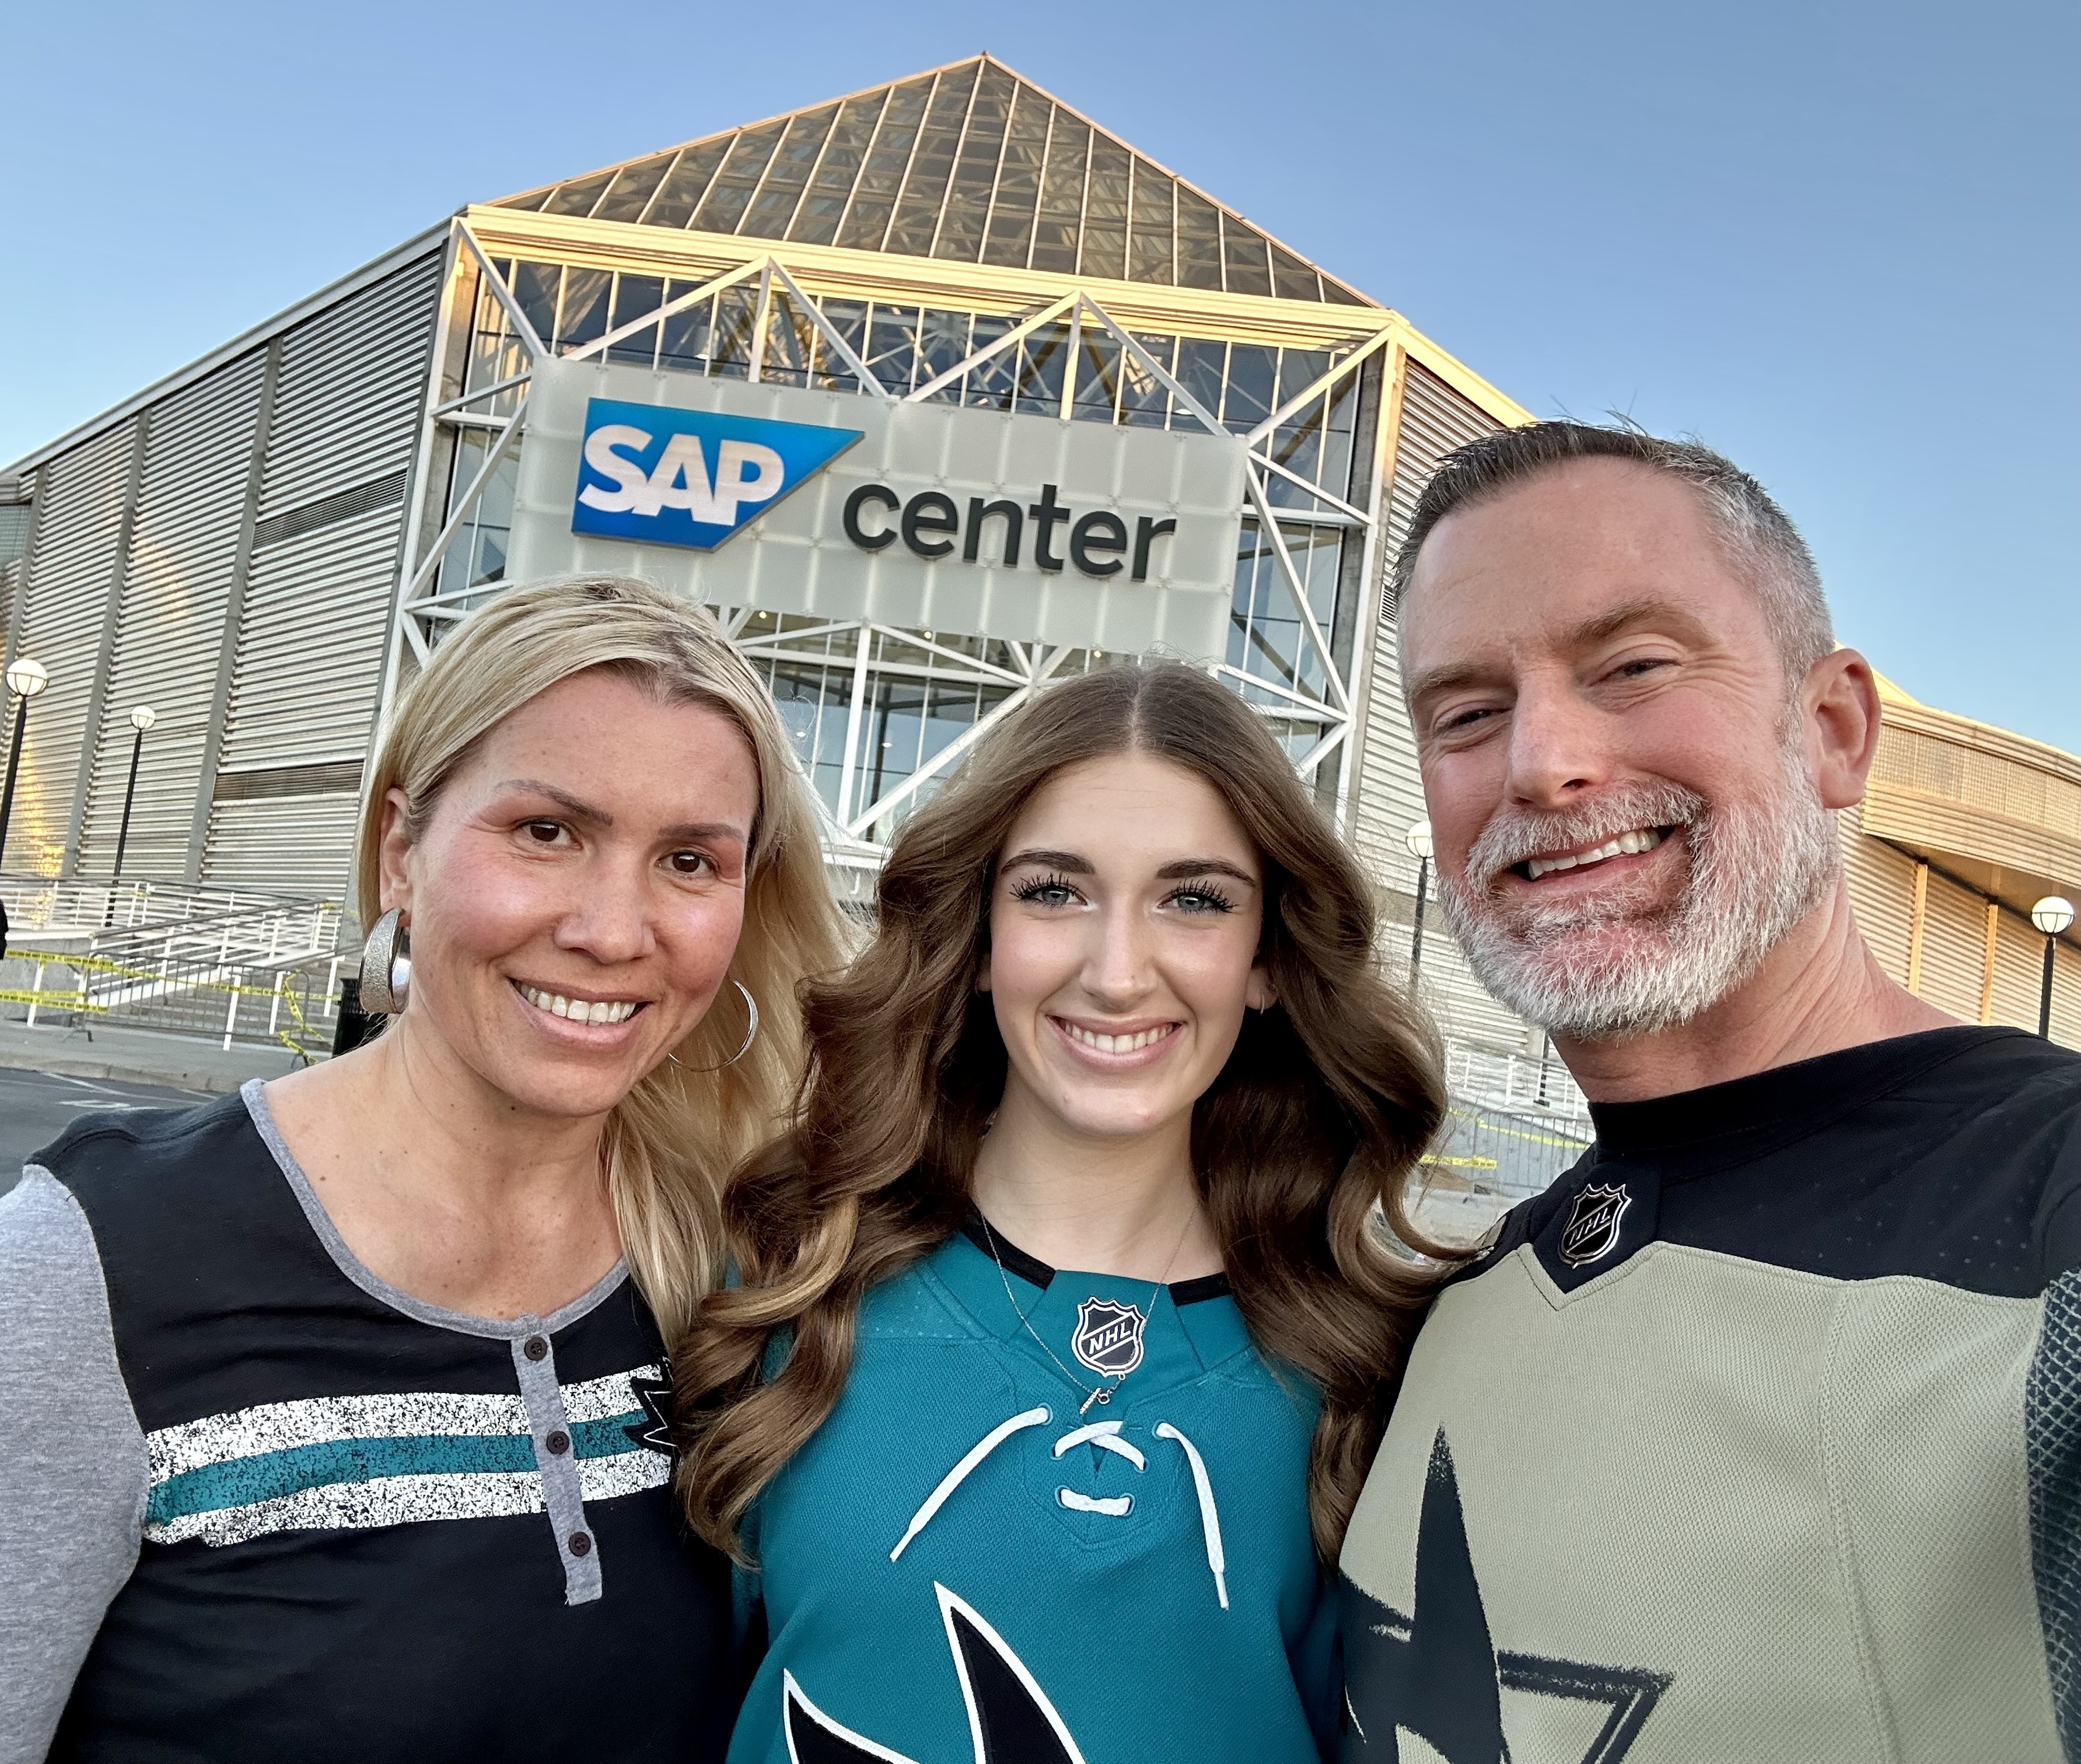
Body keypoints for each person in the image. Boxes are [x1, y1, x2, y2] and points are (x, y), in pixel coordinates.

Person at [0, 576, 847, 1762]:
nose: (614, 930)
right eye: (547, 832)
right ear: (403, 849)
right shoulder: (91, 1261)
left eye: (690, 861)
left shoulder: (743, 1276)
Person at [1338, 423, 2079, 1764]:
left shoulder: (2044, 1226)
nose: (1539, 762)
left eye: (1631, 666)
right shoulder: (1466, 1300)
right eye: (1465, 711)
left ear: (1831, 730)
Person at [678, 663, 1449, 1764]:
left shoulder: (1374, 1371)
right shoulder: (786, 1286)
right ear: (980, 937)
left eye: (1195, 899)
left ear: (1268, 959)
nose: (1118, 973)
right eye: (1054, 892)